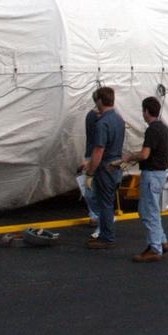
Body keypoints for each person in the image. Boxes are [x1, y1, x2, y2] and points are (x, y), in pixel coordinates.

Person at [123, 96, 168, 263]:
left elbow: (144, 154)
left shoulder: (152, 130)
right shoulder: (164, 129)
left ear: (146, 111)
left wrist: (129, 157)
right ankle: (161, 240)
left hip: (151, 174)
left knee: (147, 212)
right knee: (153, 210)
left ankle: (154, 247)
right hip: (160, 173)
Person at [82, 86, 125, 249]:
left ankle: (107, 237)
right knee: (108, 202)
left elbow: (99, 149)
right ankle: (106, 234)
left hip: (105, 168)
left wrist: (91, 171)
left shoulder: (103, 123)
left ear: (100, 100)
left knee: (104, 204)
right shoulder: (119, 119)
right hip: (115, 165)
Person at [78, 99, 102, 239]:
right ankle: (98, 217)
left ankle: (97, 217)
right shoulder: (98, 117)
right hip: (94, 155)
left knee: (90, 189)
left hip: (92, 155)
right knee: (92, 189)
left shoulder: (92, 116)